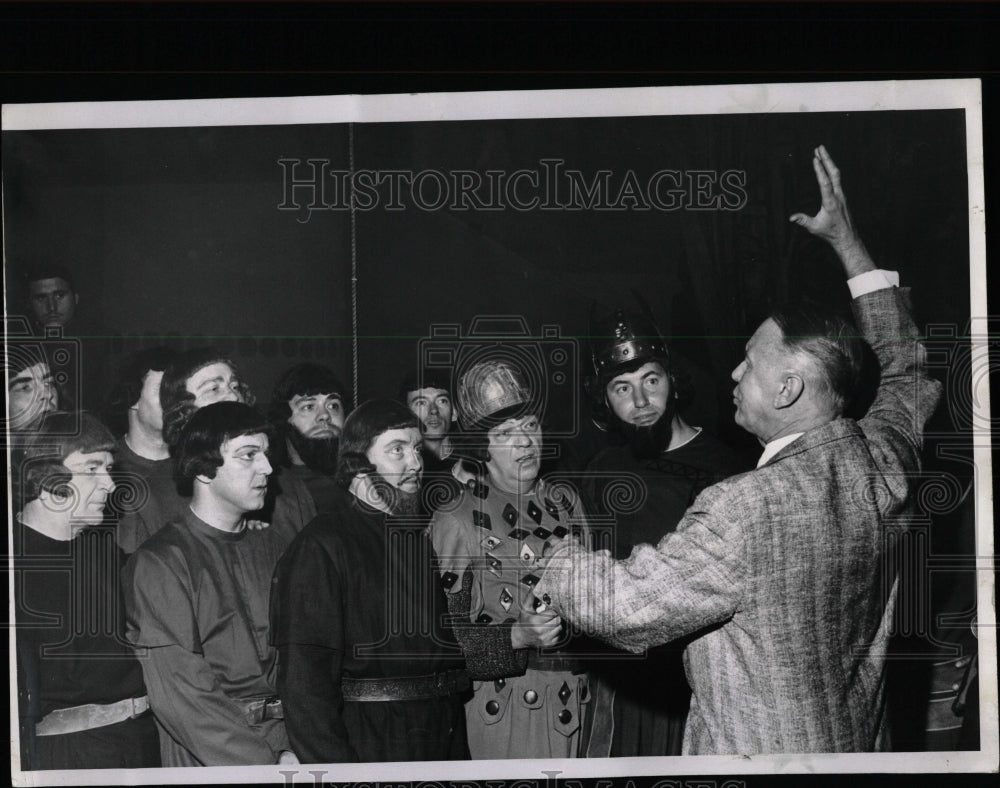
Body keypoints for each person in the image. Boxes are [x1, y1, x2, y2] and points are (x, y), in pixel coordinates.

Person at [534, 146, 943, 754]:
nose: (732, 373)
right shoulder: (886, 460)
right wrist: (850, 247)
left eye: (749, 363)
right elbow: (907, 369)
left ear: (788, 388)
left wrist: (560, 558)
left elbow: (625, 606)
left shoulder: (743, 508)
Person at [580, 298, 747, 756]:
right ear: (605, 400)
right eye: (621, 388)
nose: (640, 402)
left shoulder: (727, 469)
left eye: (650, 380)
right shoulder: (600, 471)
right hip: (621, 685)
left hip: (700, 683)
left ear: (672, 380)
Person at [271, 399, 470, 763]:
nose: (415, 463)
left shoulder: (415, 539)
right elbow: (305, 688)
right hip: (371, 743)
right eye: (397, 450)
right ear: (358, 465)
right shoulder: (321, 546)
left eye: (415, 449)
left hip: (440, 737)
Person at [428, 360, 598, 759]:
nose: (524, 442)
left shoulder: (566, 502)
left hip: (581, 698)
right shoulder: (456, 518)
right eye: (505, 433)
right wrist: (517, 636)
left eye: (531, 427)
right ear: (481, 448)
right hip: (508, 710)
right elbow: (440, 646)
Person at [122, 402, 298, 766]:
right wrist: (264, 765)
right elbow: (181, 693)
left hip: (290, 744)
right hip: (211, 754)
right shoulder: (161, 562)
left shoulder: (276, 547)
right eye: (248, 455)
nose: (267, 468)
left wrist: (296, 747)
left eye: (266, 454)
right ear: (203, 469)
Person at [14, 412, 160, 770]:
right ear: (45, 477)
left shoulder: (106, 553)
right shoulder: (14, 566)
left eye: (108, 469)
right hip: (69, 755)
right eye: (92, 469)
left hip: (141, 740)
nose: (109, 485)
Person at [159, 347, 315, 545]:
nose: (233, 397)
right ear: (182, 411)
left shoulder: (287, 487)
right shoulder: (158, 494)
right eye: (214, 389)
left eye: (235, 386)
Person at [103, 346, 185, 553]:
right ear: (132, 398)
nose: (177, 401)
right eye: (164, 390)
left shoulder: (196, 465)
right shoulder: (105, 469)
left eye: (180, 391)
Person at [23, 265, 118, 412]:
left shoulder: (104, 341)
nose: (52, 307)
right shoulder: (20, 346)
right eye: (41, 298)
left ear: (75, 298)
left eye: (59, 295)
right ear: (29, 304)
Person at [267, 362, 347, 513]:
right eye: (309, 406)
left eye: (333, 405)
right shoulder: (271, 491)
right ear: (284, 418)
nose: (324, 416)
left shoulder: (363, 480)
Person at [399, 368, 465, 512]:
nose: (433, 410)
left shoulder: (474, 463)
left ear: (454, 413)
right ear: (406, 415)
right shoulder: (400, 468)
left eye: (442, 401)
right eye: (421, 403)